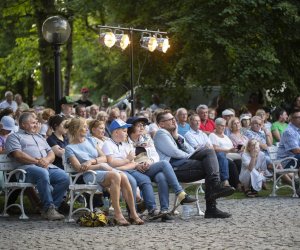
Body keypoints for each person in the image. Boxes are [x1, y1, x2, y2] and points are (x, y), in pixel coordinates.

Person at [153, 111, 234, 218]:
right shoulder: (161, 133)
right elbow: (174, 152)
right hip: (173, 169)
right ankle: (214, 191)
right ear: (162, 124)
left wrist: (177, 136)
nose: (174, 121)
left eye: (173, 118)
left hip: (185, 166)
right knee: (209, 153)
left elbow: (190, 149)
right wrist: (190, 155)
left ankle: (211, 208)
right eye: (170, 119)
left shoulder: (176, 136)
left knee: (209, 167)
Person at [64, 117, 143, 226]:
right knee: (116, 175)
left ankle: (133, 214)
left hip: (103, 170)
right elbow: (78, 168)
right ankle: (118, 214)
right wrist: (98, 165)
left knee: (123, 177)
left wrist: (92, 161)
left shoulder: (91, 140)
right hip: (89, 176)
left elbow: (104, 157)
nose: (87, 129)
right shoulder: (70, 148)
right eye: (84, 127)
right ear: (76, 129)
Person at [127, 116, 197, 221]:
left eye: (143, 125)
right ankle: (180, 193)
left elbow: (155, 155)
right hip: (135, 169)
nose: (142, 127)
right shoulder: (125, 141)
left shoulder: (146, 138)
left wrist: (149, 162)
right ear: (131, 128)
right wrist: (137, 165)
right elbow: (124, 158)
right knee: (164, 164)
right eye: (139, 125)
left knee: (161, 177)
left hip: (149, 167)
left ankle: (164, 211)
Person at [5, 112, 70, 220]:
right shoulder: (14, 137)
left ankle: (50, 208)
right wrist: (37, 162)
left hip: (45, 166)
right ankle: (48, 208)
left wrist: (46, 160)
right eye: (33, 123)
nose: (36, 125)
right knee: (42, 173)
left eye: (36, 123)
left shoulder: (39, 137)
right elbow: (18, 155)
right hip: (25, 170)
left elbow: (51, 153)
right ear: (23, 124)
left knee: (64, 177)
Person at [102, 119, 164, 220]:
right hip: (116, 172)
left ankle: (152, 209)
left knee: (145, 180)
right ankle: (133, 212)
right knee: (132, 182)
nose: (127, 134)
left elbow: (132, 162)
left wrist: (130, 163)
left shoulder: (124, 144)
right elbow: (111, 163)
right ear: (116, 132)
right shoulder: (108, 144)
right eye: (124, 131)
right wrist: (127, 160)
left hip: (127, 169)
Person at [209, 118, 240, 189]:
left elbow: (232, 148)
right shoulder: (212, 135)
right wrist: (228, 150)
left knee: (239, 161)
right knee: (231, 164)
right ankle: (226, 181)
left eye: (224, 126)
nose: (223, 127)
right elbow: (215, 148)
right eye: (221, 125)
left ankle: (239, 183)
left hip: (230, 155)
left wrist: (237, 149)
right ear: (216, 126)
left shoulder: (226, 136)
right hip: (220, 156)